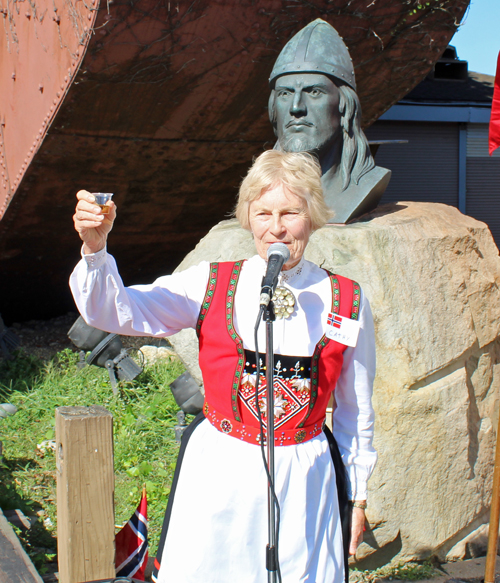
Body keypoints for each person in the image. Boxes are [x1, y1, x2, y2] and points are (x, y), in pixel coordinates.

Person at [70, 150, 377, 583]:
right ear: (247, 217)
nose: (276, 228)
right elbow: (115, 312)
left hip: (306, 475)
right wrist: (96, 249)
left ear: (313, 216)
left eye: (291, 212)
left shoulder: (347, 300)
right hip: (221, 469)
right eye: (263, 212)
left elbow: (356, 409)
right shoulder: (210, 282)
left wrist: (357, 497)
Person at [268, 18, 391, 223]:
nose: (296, 107)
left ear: (345, 108)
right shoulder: (261, 189)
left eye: (314, 92)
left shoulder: (367, 185)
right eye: (285, 94)